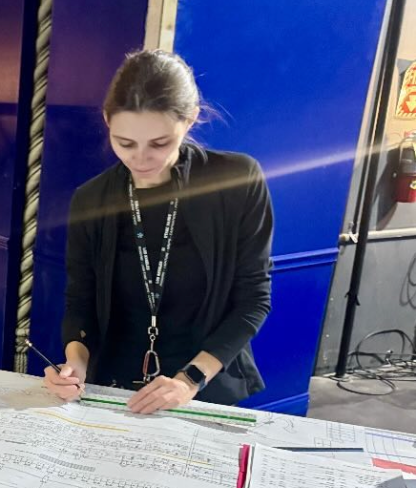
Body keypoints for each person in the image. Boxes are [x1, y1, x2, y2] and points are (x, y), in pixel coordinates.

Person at [43, 50, 273, 413]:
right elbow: (80, 301)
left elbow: (253, 299)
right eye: (125, 143)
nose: (140, 158)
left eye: (159, 143)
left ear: (190, 119)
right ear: (107, 121)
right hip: (114, 387)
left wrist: (189, 380)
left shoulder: (237, 181)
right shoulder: (91, 199)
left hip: (205, 385)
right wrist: (76, 364)